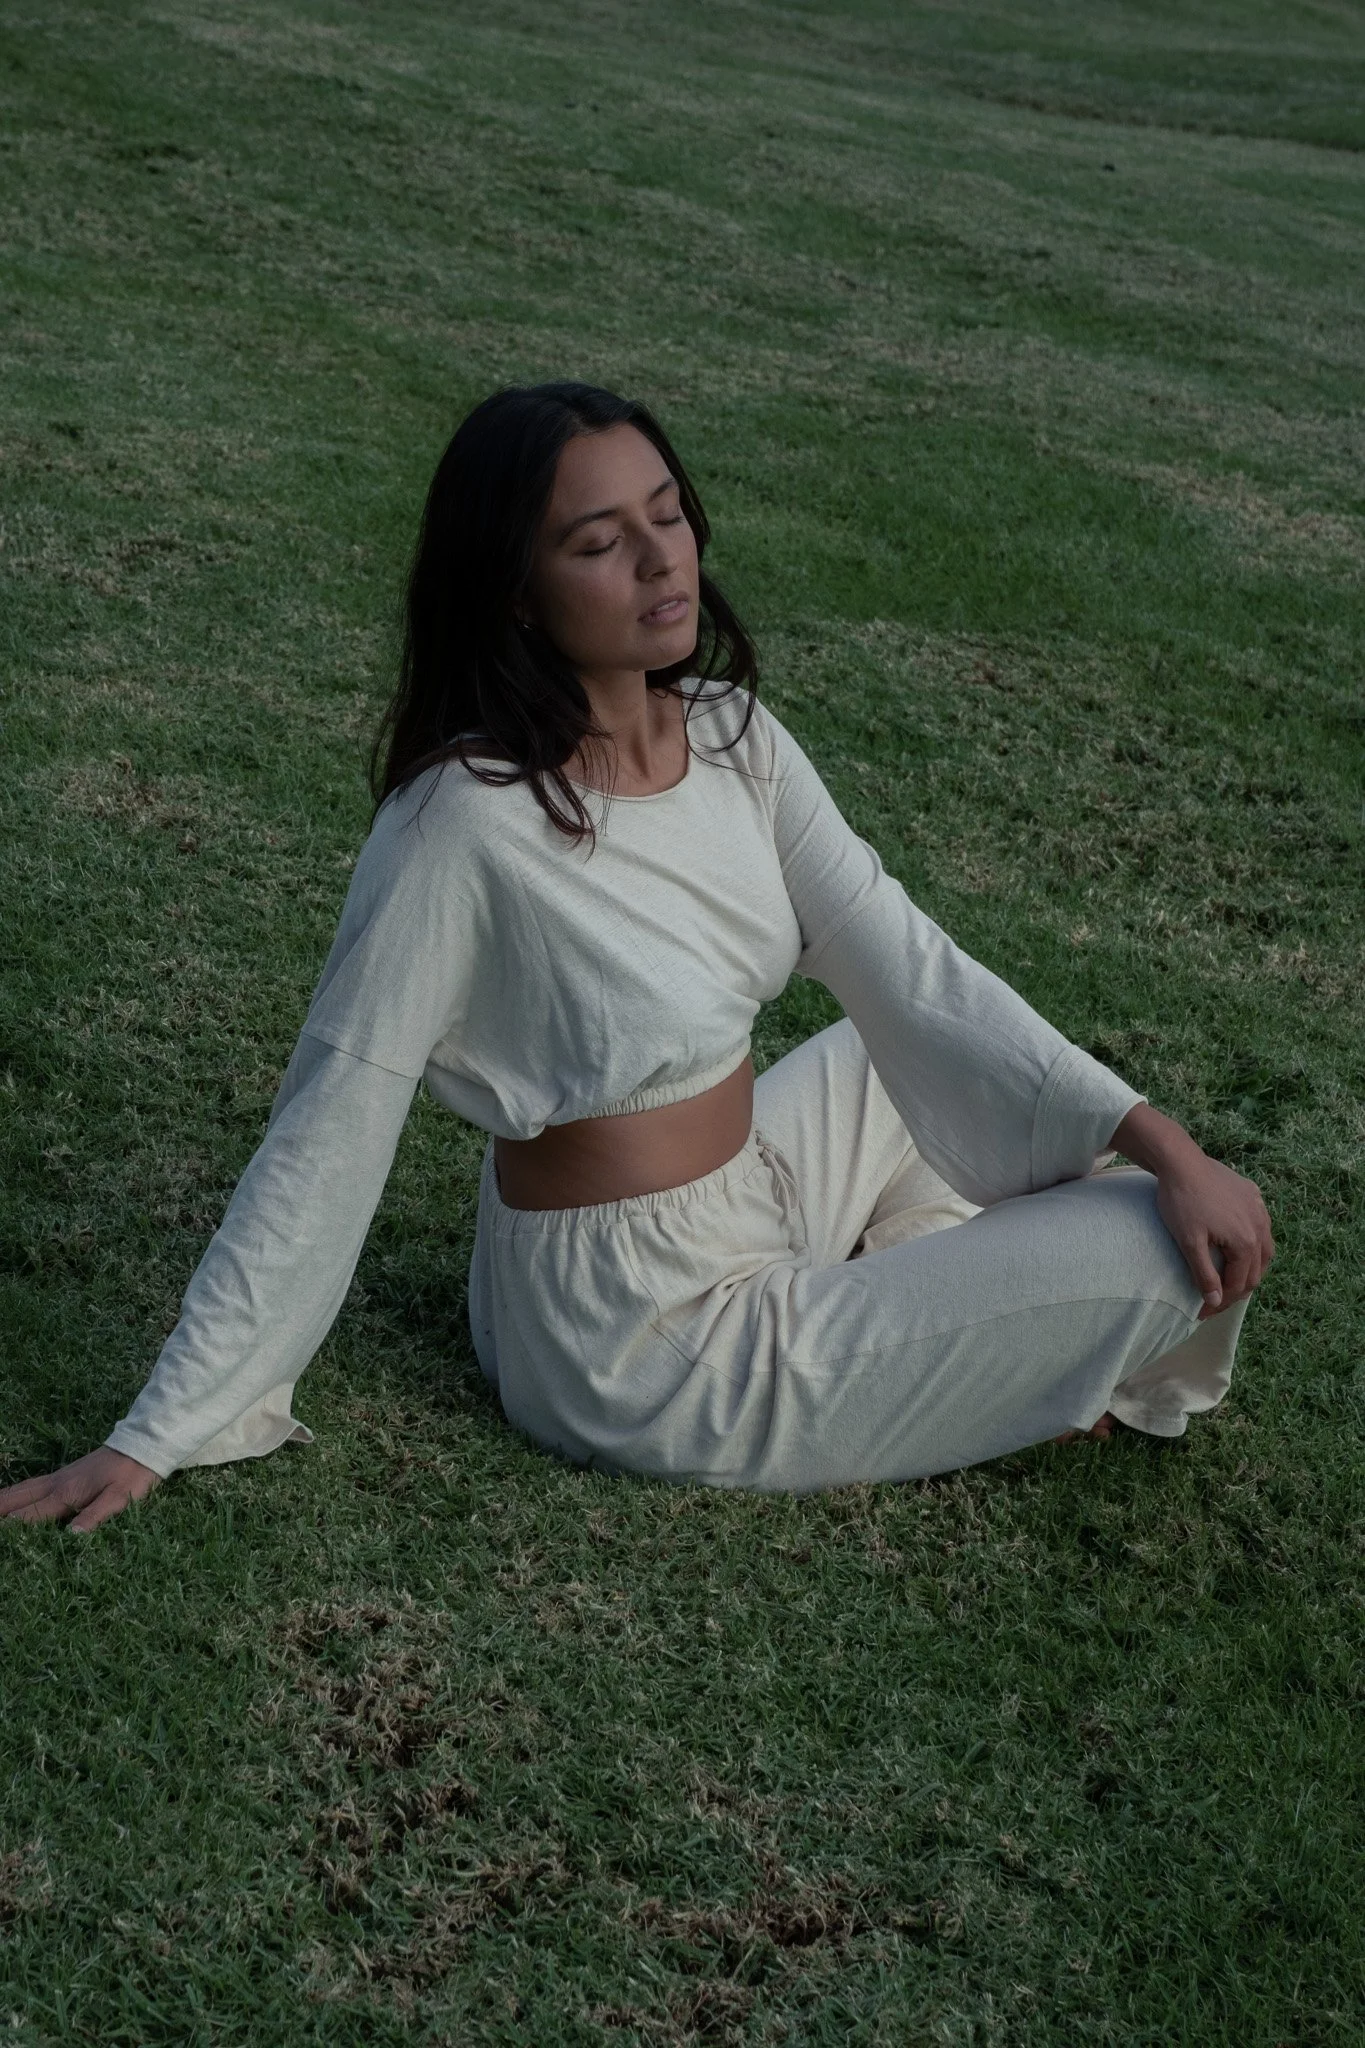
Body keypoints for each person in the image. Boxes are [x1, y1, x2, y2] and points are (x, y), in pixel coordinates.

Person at [0, 382, 1275, 1534]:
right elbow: (328, 1127)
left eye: (667, 513)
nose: (661, 558)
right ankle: (974, 1336)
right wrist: (159, 1428)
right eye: (599, 542)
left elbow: (913, 971)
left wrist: (1165, 1138)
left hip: (750, 1187)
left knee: (929, 1076)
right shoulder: (464, 822)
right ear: (516, 589)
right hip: (642, 1332)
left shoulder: (731, 736)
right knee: (1157, 1245)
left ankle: (930, 1307)